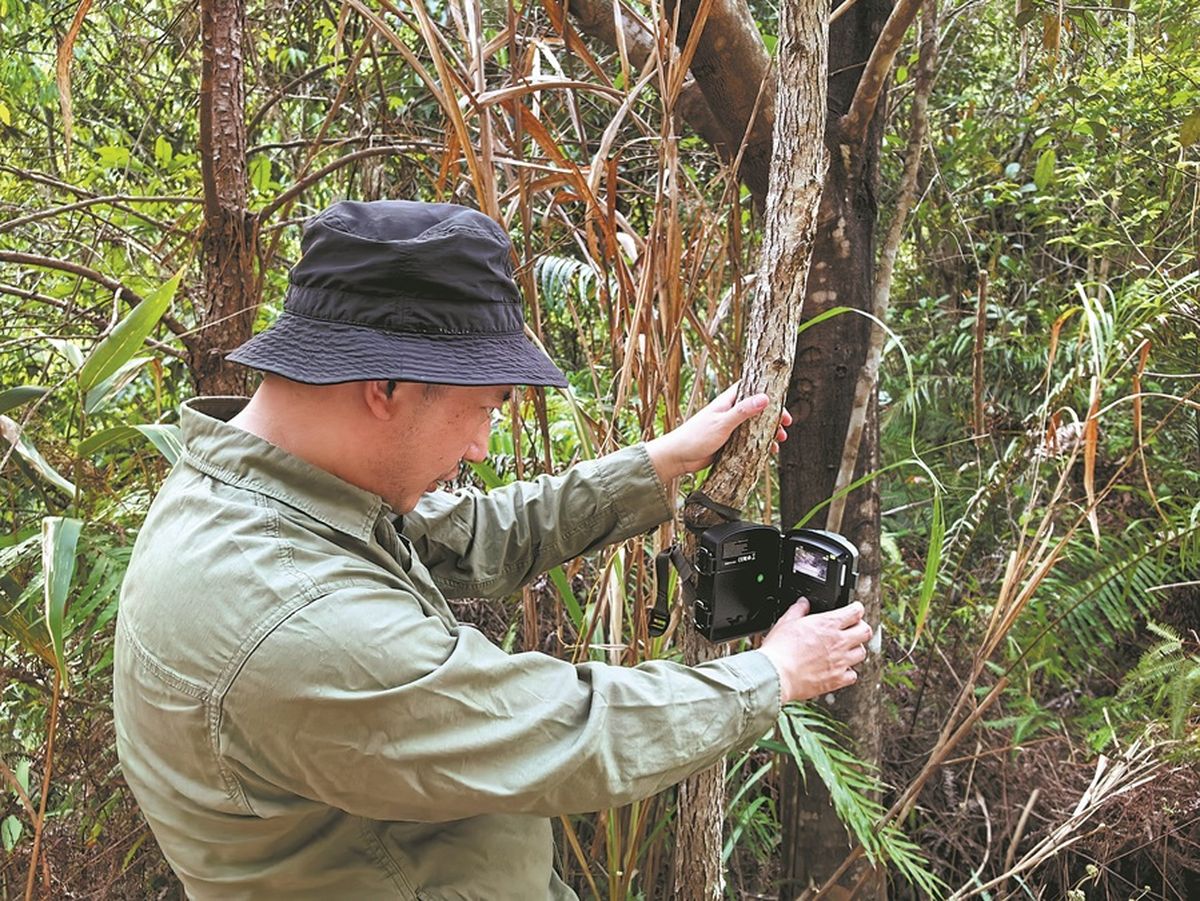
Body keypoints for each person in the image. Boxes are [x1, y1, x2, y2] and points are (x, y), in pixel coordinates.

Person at [113, 200, 872, 899]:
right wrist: (771, 674)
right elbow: (564, 732)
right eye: (482, 408)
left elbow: (475, 533)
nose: (480, 444)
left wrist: (658, 464)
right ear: (387, 384)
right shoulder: (289, 617)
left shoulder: (263, 499)